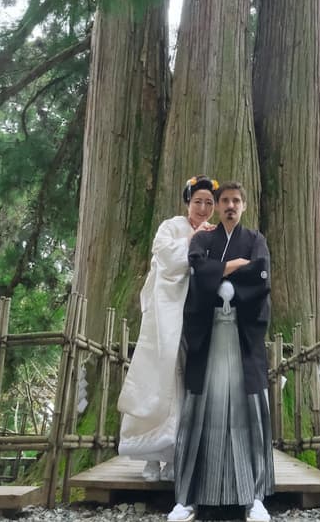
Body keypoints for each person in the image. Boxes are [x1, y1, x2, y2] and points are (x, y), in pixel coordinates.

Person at [169, 181, 274, 522]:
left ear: (243, 206)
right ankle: (186, 498)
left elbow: (260, 274)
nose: (230, 205)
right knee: (198, 413)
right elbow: (197, 271)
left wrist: (219, 276)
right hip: (209, 334)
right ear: (218, 205)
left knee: (250, 415)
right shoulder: (202, 238)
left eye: (236, 201)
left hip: (242, 335)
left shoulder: (255, 239)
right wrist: (230, 268)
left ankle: (254, 496)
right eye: (225, 200)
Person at [117, 175, 218, 481]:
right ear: (188, 201)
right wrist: (194, 238)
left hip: (196, 317)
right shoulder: (170, 227)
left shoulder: (215, 234)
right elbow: (166, 259)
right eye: (198, 201)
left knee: (189, 384)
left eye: (209, 203)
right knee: (157, 379)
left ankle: (177, 456)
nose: (203, 207)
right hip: (165, 315)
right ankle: (149, 457)